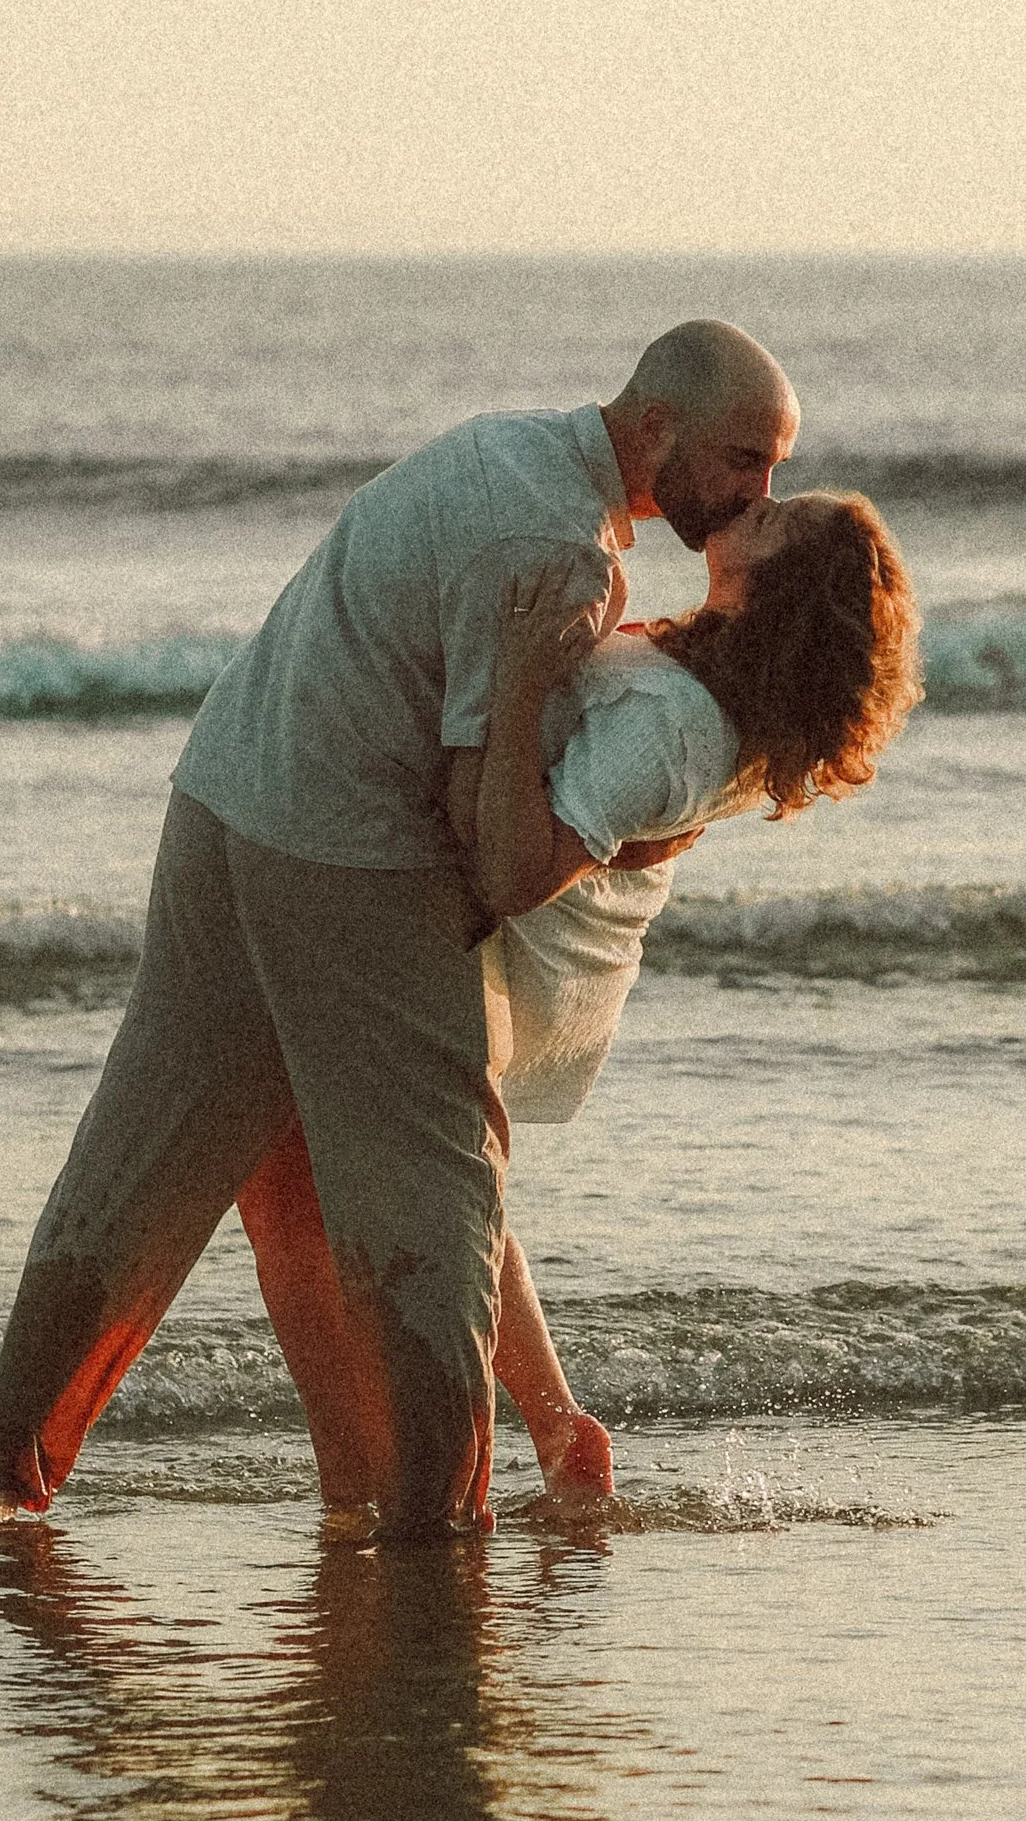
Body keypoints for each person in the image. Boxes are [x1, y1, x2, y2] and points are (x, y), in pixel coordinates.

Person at [0, 321, 801, 1532]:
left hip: (224, 796)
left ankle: (1, 1482)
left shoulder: (499, 446)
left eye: (769, 472)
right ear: (656, 427)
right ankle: (431, 1522)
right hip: (347, 849)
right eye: (743, 458)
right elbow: (477, 827)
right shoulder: (557, 549)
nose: (752, 494)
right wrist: (608, 834)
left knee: (141, 1162)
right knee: (431, 1201)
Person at [250, 486, 924, 1523]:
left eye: (777, 513)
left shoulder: (674, 718)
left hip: (491, 945)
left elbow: (519, 865)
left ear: (778, 588)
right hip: (498, 946)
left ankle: (371, 1484)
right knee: (431, 1193)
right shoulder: (704, 675)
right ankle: (544, 1431)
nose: (757, 496)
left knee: (324, 1191)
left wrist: (518, 676)